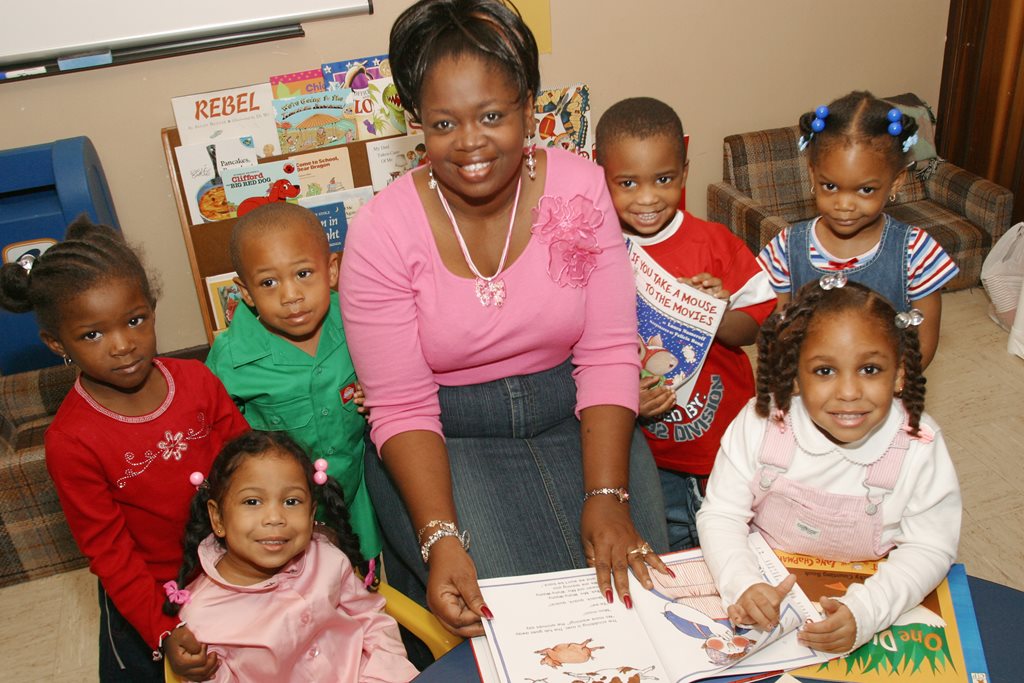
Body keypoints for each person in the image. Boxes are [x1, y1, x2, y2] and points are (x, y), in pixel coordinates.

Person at [339, 0, 670, 640]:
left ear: (527, 108)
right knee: (525, 631)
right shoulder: (381, 233)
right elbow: (402, 404)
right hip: (448, 439)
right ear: (417, 124)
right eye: (443, 123)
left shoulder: (581, 186)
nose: (469, 143)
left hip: (578, 416)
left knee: (642, 611)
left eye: (492, 115)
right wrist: (440, 537)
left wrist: (607, 496)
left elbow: (606, 352)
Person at [0, 217, 249, 682]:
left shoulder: (195, 380)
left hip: (237, 561)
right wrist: (161, 629)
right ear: (57, 343)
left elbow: (249, 461)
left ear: (151, 308)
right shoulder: (70, 441)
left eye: (135, 321)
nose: (122, 345)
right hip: (153, 592)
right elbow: (110, 554)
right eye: (92, 334)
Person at [695, 277, 961, 654]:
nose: (849, 392)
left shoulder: (918, 445)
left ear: (900, 373)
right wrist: (743, 583)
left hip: (871, 586)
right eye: (824, 371)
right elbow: (720, 515)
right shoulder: (761, 424)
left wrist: (866, 611)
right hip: (765, 581)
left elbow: (930, 547)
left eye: (870, 369)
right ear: (795, 373)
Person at [595, 97, 776, 551]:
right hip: (650, 457)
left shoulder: (714, 243)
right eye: (627, 183)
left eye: (664, 179)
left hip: (726, 443)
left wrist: (714, 311)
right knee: (670, 555)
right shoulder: (597, 253)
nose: (648, 196)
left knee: (744, 546)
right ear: (601, 178)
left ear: (685, 172)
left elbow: (751, 329)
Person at [205, 202, 382, 565]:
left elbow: (394, 370)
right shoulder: (231, 356)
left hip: (356, 494)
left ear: (332, 269)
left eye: (303, 273)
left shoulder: (359, 318)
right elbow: (213, 435)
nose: (290, 296)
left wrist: (376, 388)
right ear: (247, 293)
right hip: (279, 515)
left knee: (363, 586)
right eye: (269, 283)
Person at [165, 430, 418, 682]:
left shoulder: (327, 557)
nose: (275, 518)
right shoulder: (201, 619)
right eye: (252, 502)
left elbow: (373, 621)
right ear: (217, 518)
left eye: (291, 501)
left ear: (311, 514)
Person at [757, 90, 959, 368]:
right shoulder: (785, 247)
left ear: (896, 182)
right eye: (830, 186)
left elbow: (924, 339)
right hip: (808, 391)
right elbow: (777, 327)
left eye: (865, 190)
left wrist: (899, 381)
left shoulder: (916, 251)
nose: (844, 205)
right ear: (813, 174)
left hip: (884, 396)